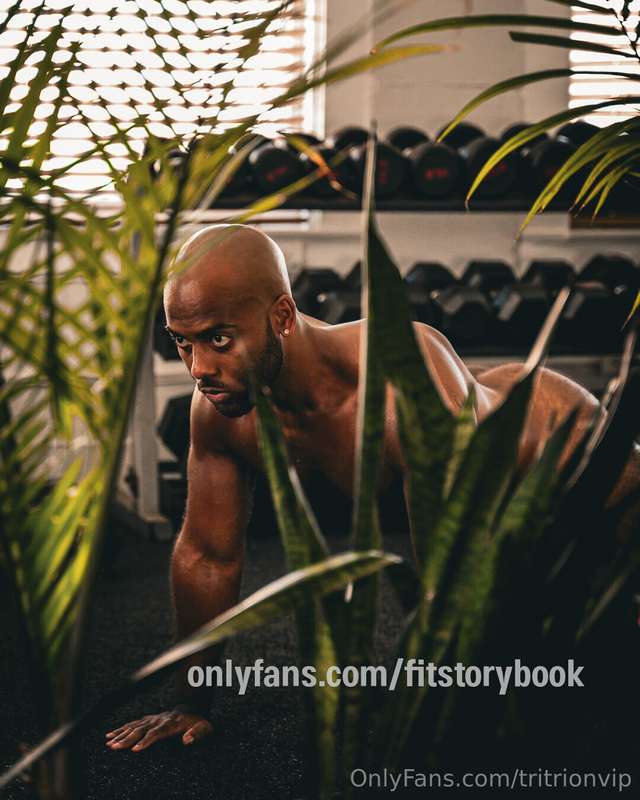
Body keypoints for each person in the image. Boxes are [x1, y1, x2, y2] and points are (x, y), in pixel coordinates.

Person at [105, 223, 638, 753]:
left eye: (219, 339)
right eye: (183, 342)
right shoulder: (219, 412)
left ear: (283, 316)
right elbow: (207, 556)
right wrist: (191, 702)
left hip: (562, 442)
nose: (199, 368)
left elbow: (453, 564)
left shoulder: (398, 376)